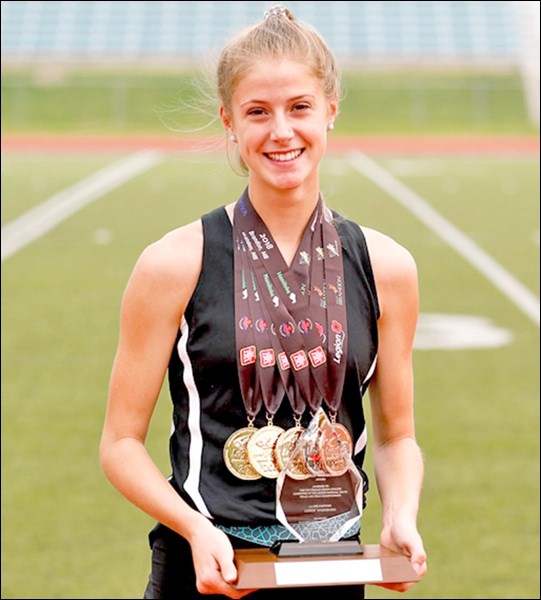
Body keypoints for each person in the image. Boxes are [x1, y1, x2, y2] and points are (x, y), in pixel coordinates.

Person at [99, 5, 427, 599]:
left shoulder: (388, 267)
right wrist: (195, 529)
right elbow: (120, 443)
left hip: (331, 563)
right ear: (229, 121)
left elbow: (396, 436)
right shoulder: (174, 263)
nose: (281, 132)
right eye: (258, 112)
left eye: (299, 107)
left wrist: (401, 513)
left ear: (331, 109)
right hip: (208, 568)